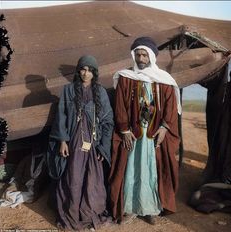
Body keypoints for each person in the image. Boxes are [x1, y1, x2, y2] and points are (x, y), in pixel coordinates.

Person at [109, 37, 181, 225]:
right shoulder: (125, 77)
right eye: (138, 54)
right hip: (133, 132)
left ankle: (150, 208)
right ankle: (130, 208)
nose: (141, 58)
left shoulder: (164, 80)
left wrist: (165, 127)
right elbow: (120, 106)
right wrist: (124, 130)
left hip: (153, 134)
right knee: (131, 168)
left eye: (144, 54)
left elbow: (170, 106)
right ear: (134, 56)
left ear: (151, 57)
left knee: (151, 169)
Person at [47, 55, 114, 231]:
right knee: (73, 178)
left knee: (93, 179)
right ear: (78, 71)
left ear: (94, 73)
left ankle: (89, 212)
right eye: (83, 69)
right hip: (74, 144)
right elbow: (61, 117)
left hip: (93, 143)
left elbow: (108, 122)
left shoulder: (101, 93)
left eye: (90, 70)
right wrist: (63, 141)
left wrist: (103, 146)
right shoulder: (68, 90)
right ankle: (71, 214)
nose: (86, 73)